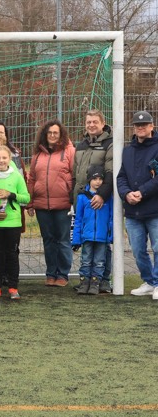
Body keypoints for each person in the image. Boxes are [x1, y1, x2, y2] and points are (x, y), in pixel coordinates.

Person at [26, 120, 75, 287]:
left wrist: (72, 199)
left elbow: (74, 176)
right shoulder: (37, 154)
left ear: (61, 134)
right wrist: (30, 202)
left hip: (63, 205)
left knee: (62, 240)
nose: (53, 135)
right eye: (50, 133)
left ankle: (63, 274)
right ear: (44, 135)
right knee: (48, 240)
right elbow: (32, 178)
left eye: (56, 132)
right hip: (41, 206)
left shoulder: (69, 151)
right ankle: (50, 273)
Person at [116, 110, 158, 300]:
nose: (140, 128)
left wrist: (142, 192)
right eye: (137, 125)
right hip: (133, 210)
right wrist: (126, 194)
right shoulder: (127, 150)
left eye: (144, 124)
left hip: (154, 209)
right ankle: (149, 281)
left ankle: (157, 283)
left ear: (152, 126)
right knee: (138, 249)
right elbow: (121, 177)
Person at [72, 109, 113, 293]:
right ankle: (86, 280)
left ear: (103, 123)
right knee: (88, 242)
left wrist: (102, 194)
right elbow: (76, 173)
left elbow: (111, 171)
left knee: (103, 244)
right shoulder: (81, 145)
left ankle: (104, 280)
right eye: (88, 122)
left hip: (101, 199)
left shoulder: (110, 143)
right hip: (83, 198)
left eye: (95, 122)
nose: (91, 125)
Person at [0, 146, 30, 300]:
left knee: (12, 255)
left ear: (9, 159)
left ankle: (13, 287)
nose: (1, 161)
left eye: (4, 158)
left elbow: (26, 198)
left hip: (12, 223)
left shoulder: (16, 176)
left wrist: (11, 194)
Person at [72, 166, 113, 295]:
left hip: (102, 237)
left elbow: (112, 217)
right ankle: (84, 282)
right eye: (94, 178)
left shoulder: (108, 197)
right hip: (87, 236)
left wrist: (111, 235)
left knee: (99, 261)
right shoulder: (82, 197)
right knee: (86, 260)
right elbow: (78, 219)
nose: (98, 181)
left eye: (100, 179)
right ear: (89, 179)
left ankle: (96, 283)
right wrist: (76, 238)